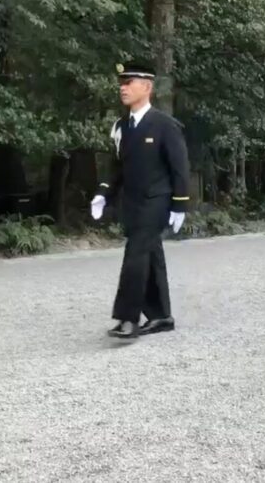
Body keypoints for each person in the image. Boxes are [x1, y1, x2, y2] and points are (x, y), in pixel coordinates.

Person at [89, 61, 190, 340]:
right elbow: (117, 166)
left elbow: (180, 167)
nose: (123, 88)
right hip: (132, 202)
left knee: (135, 255)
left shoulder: (164, 125)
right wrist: (103, 192)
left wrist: (180, 203)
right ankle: (161, 316)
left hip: (156, 200)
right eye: (121, 83)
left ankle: (127, 318)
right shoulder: (122, 126)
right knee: (150, 254)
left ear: (146, 87)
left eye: (129, 82)